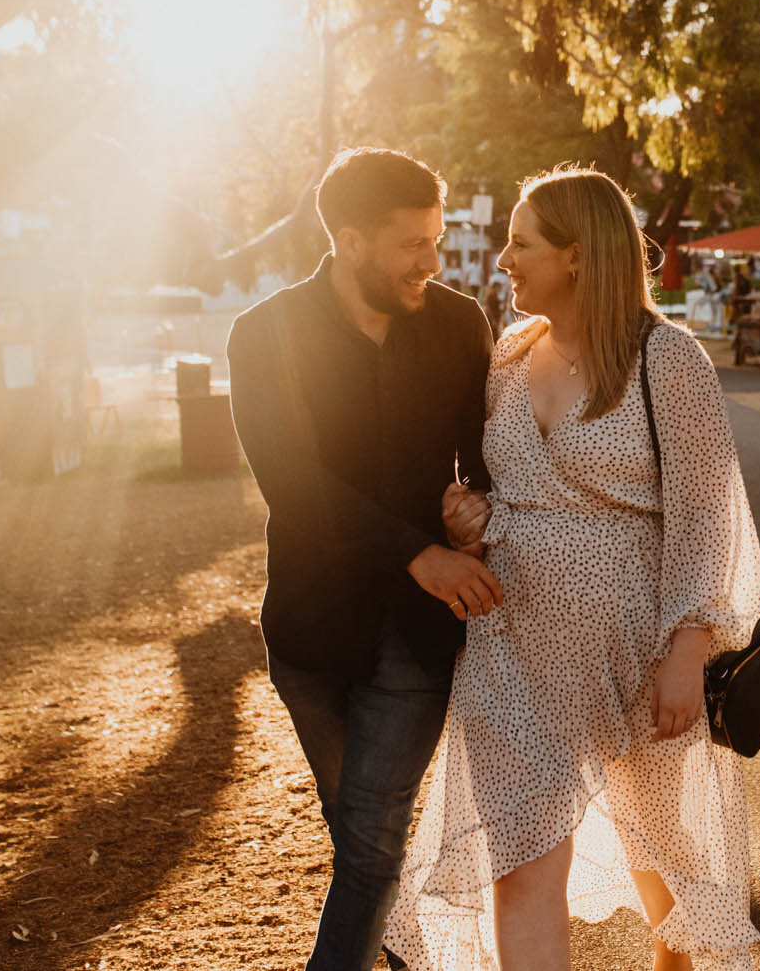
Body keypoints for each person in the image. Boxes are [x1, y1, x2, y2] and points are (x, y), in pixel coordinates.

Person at [384, 167, 760, 971]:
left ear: (579, 256)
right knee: (520, 865)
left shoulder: (669, 361)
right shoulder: (510, 357)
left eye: (520, 244)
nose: (502, 261)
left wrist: (689, 651)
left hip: (634, 649)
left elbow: (706, 513)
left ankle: (678, 956)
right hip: (510, 650)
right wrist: (472, 516)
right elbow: (506, 488)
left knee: (663, 851)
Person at [227, 148, 501, 971]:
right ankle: (410, 953)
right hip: (309, 635)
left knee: (371, 845)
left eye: (438, 238)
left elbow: (486, 458)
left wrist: (473, 511)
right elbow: (295, 483)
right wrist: (418, 550)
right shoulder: (262, 335)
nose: (433, 260)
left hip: (414, 640)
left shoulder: (459, 325)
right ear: (349, 240)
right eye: (412, 243)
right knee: (359, 832)